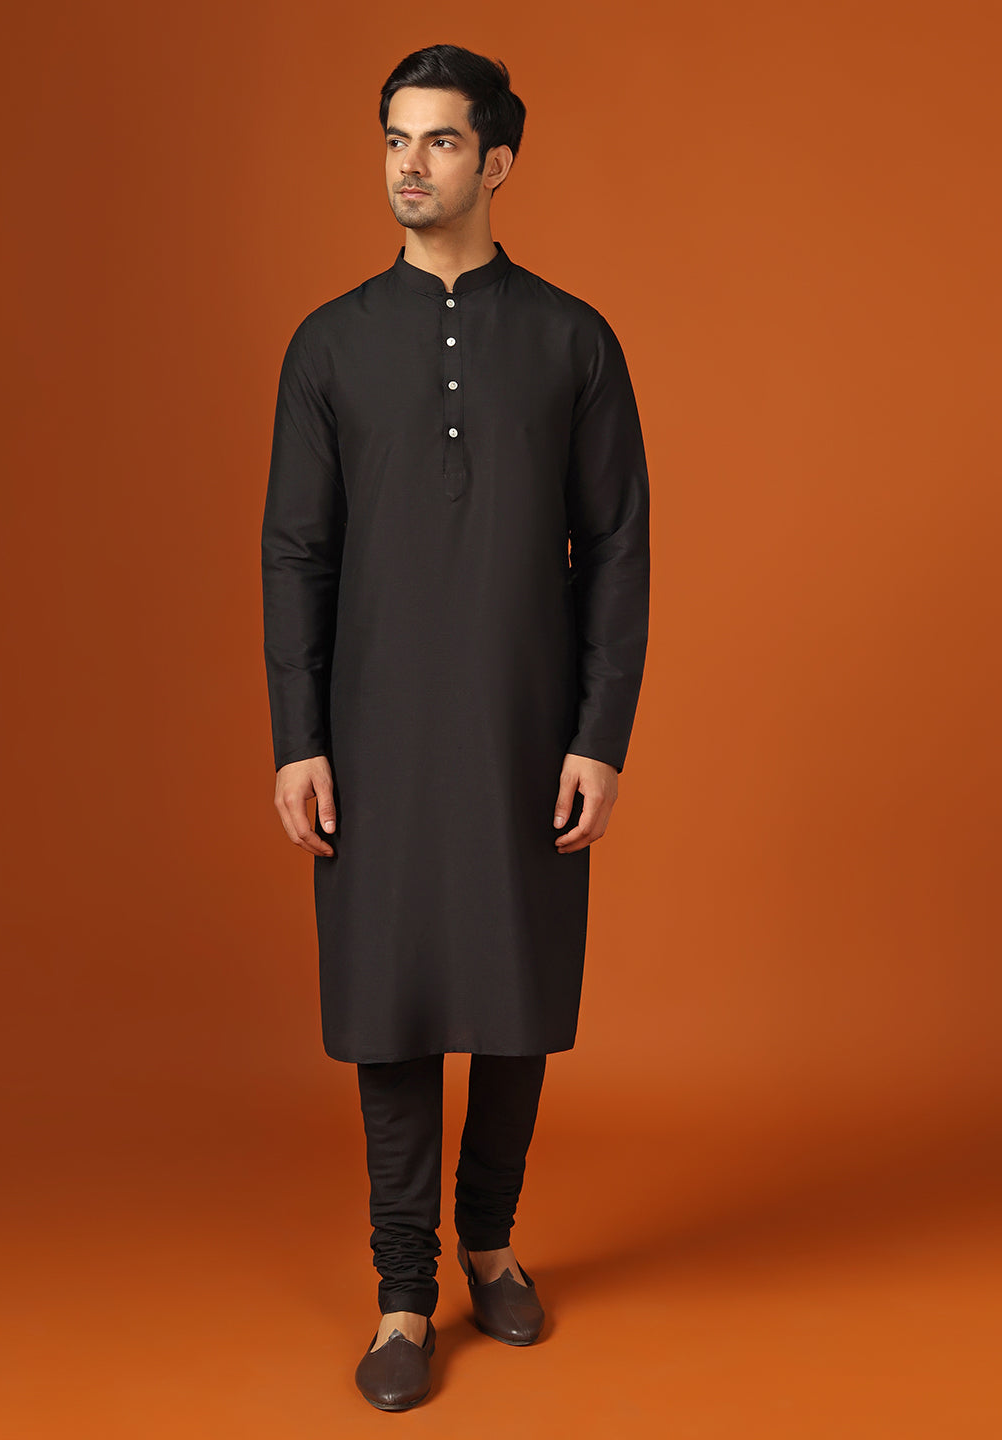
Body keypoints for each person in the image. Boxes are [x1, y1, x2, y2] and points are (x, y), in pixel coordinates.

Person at [261, 43, 650, 1411]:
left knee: (515, 994)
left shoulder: (572, 340)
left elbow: (615, 549)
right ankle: (403, 1294)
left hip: (526, 730)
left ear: (498, 161)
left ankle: (490, 1240)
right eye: (394, 140)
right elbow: (296, 554)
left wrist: (599, 734)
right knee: (392, 1001)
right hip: (371, 734)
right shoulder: (329, 343)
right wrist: (298, 737)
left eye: (437, 141)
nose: (409, 165)